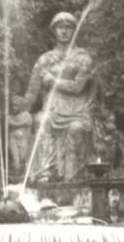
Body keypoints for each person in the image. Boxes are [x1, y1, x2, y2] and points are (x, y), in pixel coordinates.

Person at [20, 11, 96, 181]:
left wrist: (53, 81)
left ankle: (73, 176)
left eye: (68, 28)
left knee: (76, 129)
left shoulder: (83, 58)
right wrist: (18, 105)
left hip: (77, 111)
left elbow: (77, 87)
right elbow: (31, 94)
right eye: (60, 27)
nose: (64, 31)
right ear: (54, 31)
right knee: (40, 120)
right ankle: (47, 172)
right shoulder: (44, 59)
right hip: (53, 110)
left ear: (74, 31)